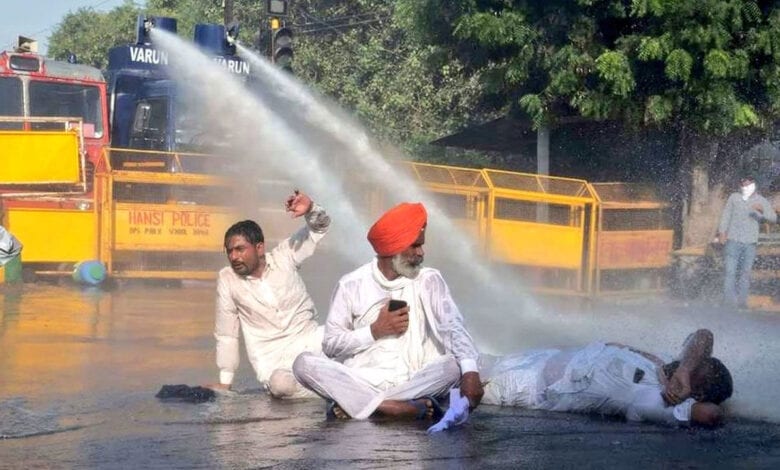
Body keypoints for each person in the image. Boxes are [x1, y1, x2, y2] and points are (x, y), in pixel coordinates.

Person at [293, 202, 483, 420]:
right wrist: (374, 331)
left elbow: (452, 327)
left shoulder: (428, 279)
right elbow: (331, 346)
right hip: (363, 379)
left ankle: (366, 406)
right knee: (303, 364)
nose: (421, 253)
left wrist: (470, 372)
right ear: (392, 250)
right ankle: (396, 407)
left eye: (421, 245)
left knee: (454, 366)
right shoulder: (351, 284)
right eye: (414, 246)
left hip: (414, 379)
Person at [210, 190, 330, 398]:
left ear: (259, 248)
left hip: (311, 340)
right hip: (275, 361)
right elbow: (226, 333)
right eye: (229, 251)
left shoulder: (285, 256)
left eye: (240, 249)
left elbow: (320, 229)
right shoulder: (228, 279)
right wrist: (225, 382)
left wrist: (311, 210)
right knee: (282, 386)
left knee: (354, 332)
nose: (234, 257)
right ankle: (333, 389)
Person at [480, 329, 732, 427]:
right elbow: (703, 335)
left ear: (696, 393)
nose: (695, 362)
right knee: (466, 357)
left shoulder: (657, 399)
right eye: (700, 361)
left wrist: (692, 401)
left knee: (454, 378)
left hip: (521, 386)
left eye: (701, 370)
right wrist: (686, 369)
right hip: (535, 358)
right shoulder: (670, 364)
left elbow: (710, 414)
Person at [716, 174, 776, 308]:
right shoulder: (734, 198)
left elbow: (773, 218)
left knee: (745, 274)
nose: (745, 187)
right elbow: (726, 215)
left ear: (754, 185)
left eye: (748, 184)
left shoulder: (761, 200)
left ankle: (742, 303)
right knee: (730, 272)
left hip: (750, 243)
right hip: (733, 240)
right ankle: (727, 303)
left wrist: (762, 211)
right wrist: (722, 232)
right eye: (743, 184)